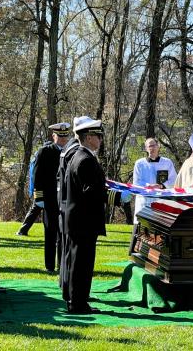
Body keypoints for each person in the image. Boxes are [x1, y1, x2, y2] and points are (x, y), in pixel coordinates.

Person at [60, 116, 130, 314]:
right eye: (97, 136)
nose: (100, 140)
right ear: (89, 137)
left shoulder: (80, 156)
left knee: (77, 262)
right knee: (81, 264)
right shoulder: (85, 160)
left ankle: (76, 300)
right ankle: (78, 303)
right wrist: (117, 198)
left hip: (77, 220)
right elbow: (92, 192)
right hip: (83, 221)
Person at [33, 123, 70, 272]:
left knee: (64, 233)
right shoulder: (44, 151)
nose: (63, 139)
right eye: (60, 136)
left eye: (65, 136)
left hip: (65, 199)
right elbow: (37, 176)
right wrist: (39, 198)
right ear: (54, 136)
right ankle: (49, 265)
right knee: (50, 232)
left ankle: (61, 264)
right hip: (49, 198)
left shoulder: (70, 151)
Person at [129, 138, 177, 253]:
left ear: (158, 146)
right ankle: (137, 252)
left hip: (161, 201)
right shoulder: (139, 163)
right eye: (149, 146)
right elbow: (136, 182)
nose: (152, 148)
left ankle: (159, 254)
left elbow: (174, 179)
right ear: (146, 149)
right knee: (142, 226)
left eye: (153, 145)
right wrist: (148, 185)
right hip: (144, 200)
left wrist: (161, 186)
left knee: (160, 228)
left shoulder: (167, 162)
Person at [16, 141, 53, 236]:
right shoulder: (39, 158)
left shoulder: (36, 157)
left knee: (35, 210)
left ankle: (23, 230)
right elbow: (35, 177)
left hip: (38, 189)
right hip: (40, 189)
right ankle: (22, 230)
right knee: (36, 208)